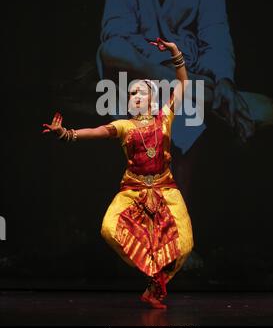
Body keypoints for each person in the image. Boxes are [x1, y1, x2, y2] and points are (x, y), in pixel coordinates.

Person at [96, 0, 255, 207]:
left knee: (183, 118)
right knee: (113, 50)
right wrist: (182, 79)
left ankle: (174, 227)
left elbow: (215, 32)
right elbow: (116, 38)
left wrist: (223, 80)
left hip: (184, 73)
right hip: (137, 74)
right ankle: (202, 95)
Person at [42, 38, 196, 309]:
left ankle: (155, 283)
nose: (135, 97)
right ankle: (152, 275)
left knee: (185, 244)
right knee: (109, 229)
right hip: (133, 190)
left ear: (152, 98)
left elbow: (184, 84)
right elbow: (97, 131)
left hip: (165, 189)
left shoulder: (165, 117)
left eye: (140, 93)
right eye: (132, 94)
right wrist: (67, 134)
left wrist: (175, 53)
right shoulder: (124, 126)